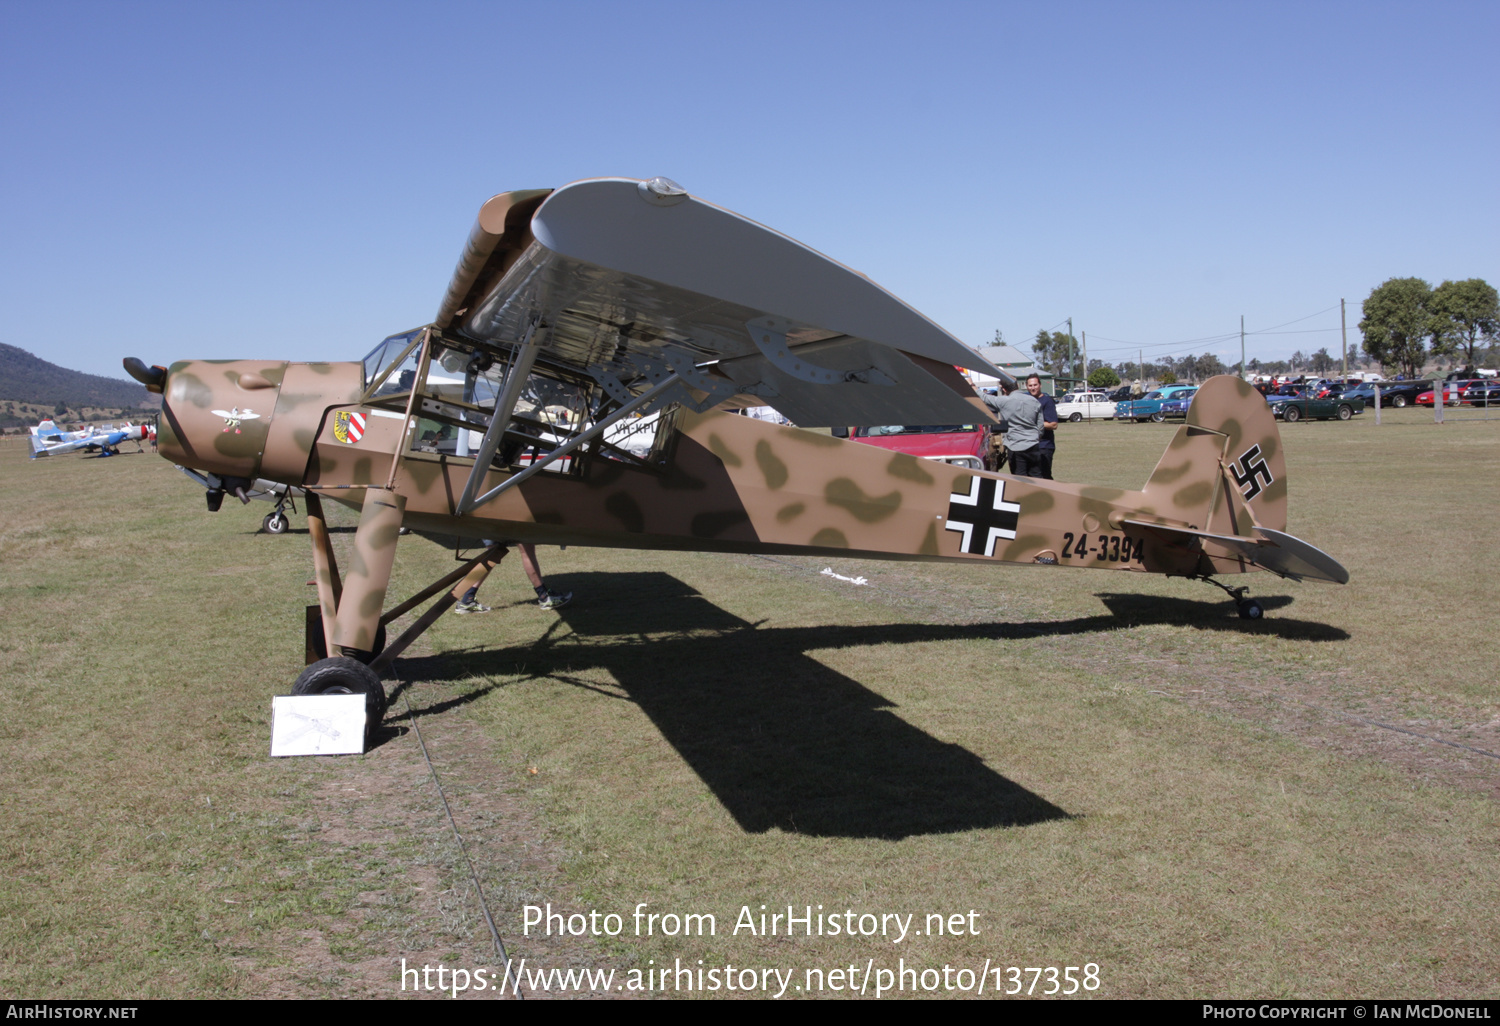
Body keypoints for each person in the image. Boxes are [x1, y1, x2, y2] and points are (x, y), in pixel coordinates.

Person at [455, 542, 572, 613]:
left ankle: (468, 598)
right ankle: (544, 597)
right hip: (507, 513)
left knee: (492, 553)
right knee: (526, 548)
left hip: (487, 511)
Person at [981, 380, 1045, 477]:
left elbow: (984, 397)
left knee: (1019, 477)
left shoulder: (1003, 401)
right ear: (1018, 385)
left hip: (1015, 446)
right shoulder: (1034, 401)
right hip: (1033, 444)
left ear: (1004, 389)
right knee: (1036, 476)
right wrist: (1036, 437)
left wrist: (972, 385)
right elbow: (1040, 426)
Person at [1026, 373, 1059, 479]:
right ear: (1026, 386)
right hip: (1028, 446)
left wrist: (1032, 423)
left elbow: (1053, 425)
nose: (1033, 388)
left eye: (1035, 385)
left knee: (1044, 476)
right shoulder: (1026, 400)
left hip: (1044, 446)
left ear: (1040, 385)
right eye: (1030, 386)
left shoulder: (1047, 401)